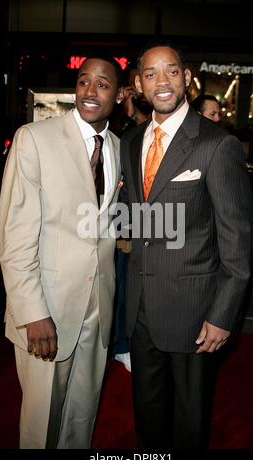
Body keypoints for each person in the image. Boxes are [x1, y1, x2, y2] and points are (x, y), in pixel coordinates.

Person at [119, 42, 253, 449]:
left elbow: (238, 240)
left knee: (188, 423)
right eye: (151, 74)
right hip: (141, 307)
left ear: (187, 78)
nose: (162, 81)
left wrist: (223, 314)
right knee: (148, 416)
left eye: (171, 71)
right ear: (140, 85)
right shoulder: (132, 141)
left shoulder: (216, 144)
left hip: (195, 314)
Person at [0, 56, 123, 449]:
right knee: (42, 426)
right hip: (47, 310)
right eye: (84, 81)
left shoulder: (119, 147)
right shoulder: (34, 138)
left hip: (97, 311)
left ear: (119, 95)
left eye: (103, 84)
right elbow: (15, 236)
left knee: (81, 420)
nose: (90, 91)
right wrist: (33, 313)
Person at [109, 65, 152, 372]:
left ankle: (129, 342)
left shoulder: (153, 124)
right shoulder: (120, 127)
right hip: (122, 223)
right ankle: (122, 345)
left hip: (153, 223)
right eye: (135, 84)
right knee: (122, 284)